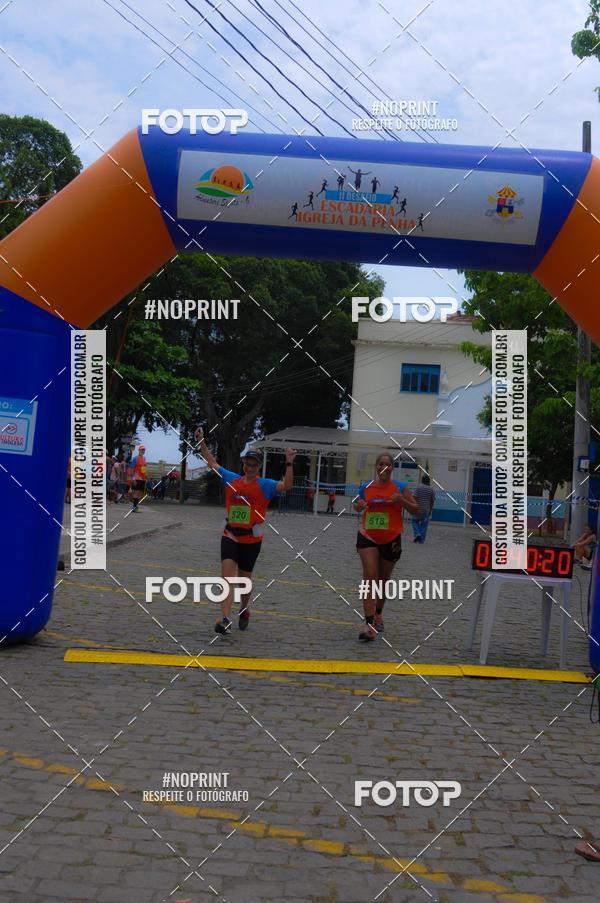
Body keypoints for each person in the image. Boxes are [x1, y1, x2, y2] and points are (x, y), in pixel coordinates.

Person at [195, 427, 296, 634]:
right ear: (243, 464)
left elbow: (286, 485)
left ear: (259, 467)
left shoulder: (265, 485)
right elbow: (212, 463)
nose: (249, 468)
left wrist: (289, 462)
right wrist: (202, 442)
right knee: (227, 578)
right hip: (230, 534)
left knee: (244, 581)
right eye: (247, 464)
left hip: (251, 539)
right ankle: (224, 618)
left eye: (253, 465)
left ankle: (243, 608)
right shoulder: (231, 479)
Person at [353, 452, 419, 641]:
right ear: (376, 467)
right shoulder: (367, 487)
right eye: (380, 463)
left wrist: (401, 501)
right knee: (369, 576)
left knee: (382, 581)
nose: (384, 467)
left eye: (388, 464)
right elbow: (357, 505)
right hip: (368, 535)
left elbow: (416, 511)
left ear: (392, 468)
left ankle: (379, 613)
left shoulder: (400, 487)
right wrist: (359, 505)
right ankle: (368, 625)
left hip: (391, 538)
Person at [412, 474, 436, 544]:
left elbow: (414, 497)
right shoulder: (431, 489)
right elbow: (432, 501)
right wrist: (430, 510)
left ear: (422, 480)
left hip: (417, 509)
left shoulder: (418, 487)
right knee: (424, 525)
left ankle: (417, 533)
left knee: (414, 521)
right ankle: (421, 540)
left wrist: (414, 506)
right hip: (426, 510)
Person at [130, 444, 148, 512]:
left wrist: (145, 477)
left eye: (144, 450)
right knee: (136, 492)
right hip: (137, 478)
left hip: (142, 479)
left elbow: (144, 469)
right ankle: (134, 507)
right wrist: (133, 478)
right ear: (139, 450)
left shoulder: (144, 459)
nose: (143, 451)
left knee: (140, 493)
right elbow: (132, 468)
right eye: (142, 449)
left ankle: (136, 506)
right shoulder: (135, 458)